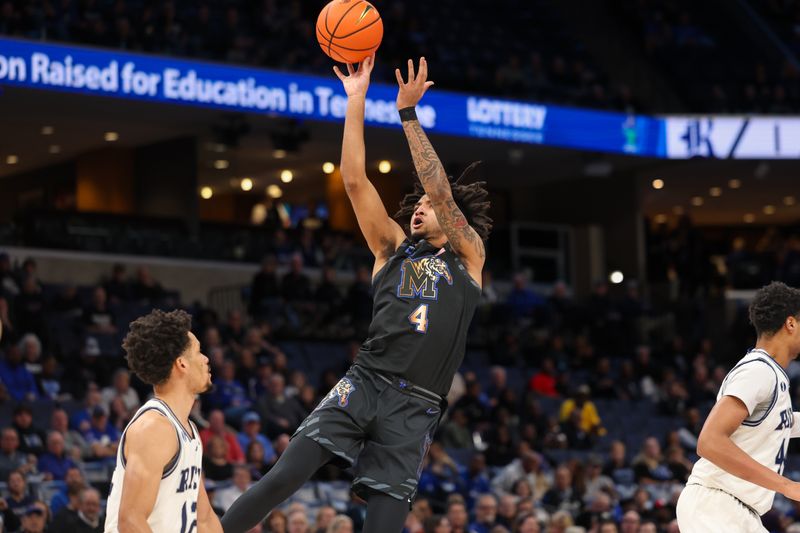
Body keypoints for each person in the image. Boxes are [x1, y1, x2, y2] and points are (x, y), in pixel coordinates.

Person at [222, 56, 491, 533]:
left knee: (384, 525)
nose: (421, 208)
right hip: (365, 381)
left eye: (429, 206)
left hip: (418, 406)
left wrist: (408, 115)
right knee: (283, 477)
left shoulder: (468, 257)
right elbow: (353, 180)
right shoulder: (390, 249)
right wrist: (356, 100)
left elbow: (443, 194)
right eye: (419, 204)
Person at [676, 282, 800, 532]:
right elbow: (709, 442)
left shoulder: (770, 374)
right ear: (790, 323)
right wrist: (788, 486)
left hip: (739, 511)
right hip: (716, 505)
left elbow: (778, 423)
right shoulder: (758, 370)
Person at [103, 309, 221, 532]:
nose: (206, 358)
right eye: (198, 352)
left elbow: (203, 518)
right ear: (182, 364)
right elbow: (131, 521)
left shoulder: (189, 430)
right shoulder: (154, 428)